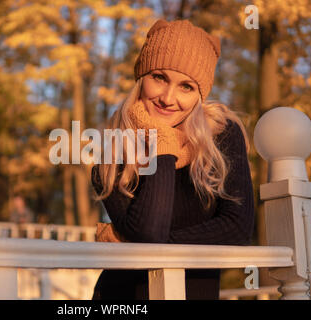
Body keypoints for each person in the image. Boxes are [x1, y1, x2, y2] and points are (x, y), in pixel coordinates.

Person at [91, 19, 255, 300]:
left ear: (199, 95)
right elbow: (150, 234)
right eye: (159, 77)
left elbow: (237, 230)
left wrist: (134, 241)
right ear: (141, 78)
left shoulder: (222, 135)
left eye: (186, 87)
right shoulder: (111, 158)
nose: (168, 98)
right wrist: (162, 143)